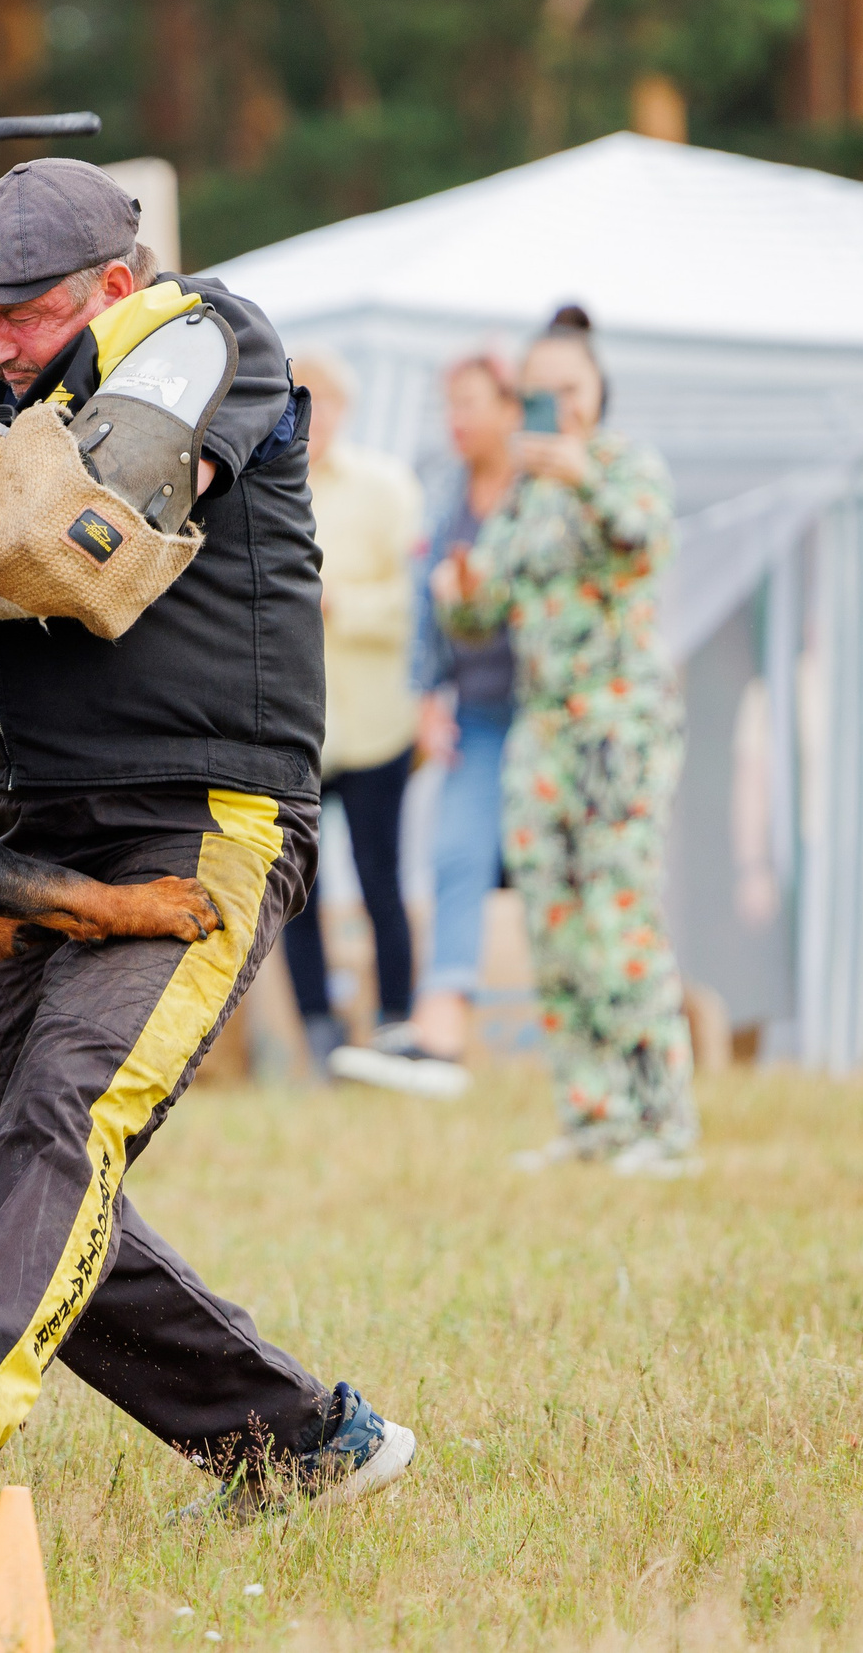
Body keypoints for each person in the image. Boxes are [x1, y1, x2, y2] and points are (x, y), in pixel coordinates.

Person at [0, 160, 415, 1535]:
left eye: (26, 317)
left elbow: (69, 539)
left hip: (205, 823)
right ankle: (303, 1446)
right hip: (44, 832)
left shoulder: (216, 337)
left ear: (116, 283)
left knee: (61, 1123)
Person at [433, 305, 698, 1176]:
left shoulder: (624, 468)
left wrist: (583, 473)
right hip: (540, 730)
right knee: (554, 925)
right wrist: (458, 588)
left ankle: (662, 1127)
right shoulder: (524, 492)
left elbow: (645, 537)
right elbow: (483, 615)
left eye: (570, 391)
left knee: (620, 923)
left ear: (598, 392)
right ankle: (593, 1121)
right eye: (539, 394)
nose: (556, 408)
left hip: (619, 725)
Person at [271, 350, 453, 1096]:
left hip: (377, 724)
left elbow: (417, 602)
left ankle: (396, 1027)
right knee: (294, 890)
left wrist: (340, 604)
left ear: (344, 408)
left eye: (326, 402)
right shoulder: (258, 490)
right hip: (294, 733)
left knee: (383, 879)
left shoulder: (387, 489)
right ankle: (318, 1036)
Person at [405, 352, 523, 1083]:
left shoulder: (543, 493)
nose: (459, 420)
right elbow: (425, 604)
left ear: (512, 407)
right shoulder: (448, 496)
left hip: (549, 711)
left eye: (472, 403)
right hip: (475, 712)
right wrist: (427, 701)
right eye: (451, 405)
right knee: (455, 852)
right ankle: (441, 1028)